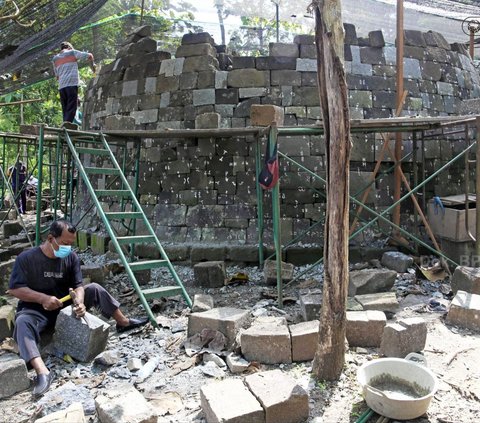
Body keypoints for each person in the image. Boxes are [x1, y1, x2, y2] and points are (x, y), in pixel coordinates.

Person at [8, 220, 148, 399]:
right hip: (37, 311)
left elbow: (78, 285)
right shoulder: (27, 258)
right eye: (65, 243)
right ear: (51, 238)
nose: (68, 248)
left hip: (65, 309)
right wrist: (42, 298)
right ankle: (42, 372)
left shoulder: (70, 257)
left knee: (95, 288)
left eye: (71, 244)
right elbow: (15, 289)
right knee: (22, 321)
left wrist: (79, 302)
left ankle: (123, 322)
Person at [52, 42, 96, 123]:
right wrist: (93, 67)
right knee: (72, 107)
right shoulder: (72, 52)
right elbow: (90, 56)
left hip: (62, 87)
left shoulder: (55, 59)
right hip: (71, 84)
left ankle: (64, 128)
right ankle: (66, 125)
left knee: (65, 109)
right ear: (69, 47)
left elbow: (57, 76)